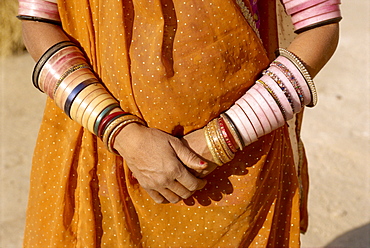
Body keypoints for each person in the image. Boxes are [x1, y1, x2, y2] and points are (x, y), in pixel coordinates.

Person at [18, 0, 341, 247]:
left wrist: (222, 139)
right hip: (98, 157)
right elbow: (38, 22)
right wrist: (119, 132)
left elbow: (319, 27)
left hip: (237, 168)